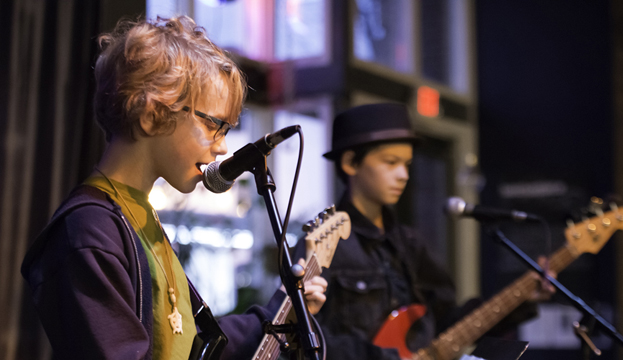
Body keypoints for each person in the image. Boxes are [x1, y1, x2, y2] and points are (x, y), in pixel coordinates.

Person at [21, 16, 326, 360]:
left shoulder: (136, 215)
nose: (223, 147)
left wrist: (274, 316)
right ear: (152, 115)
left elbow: (188, 345)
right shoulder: (89, 232)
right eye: (215, 125)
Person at [294, 103, 552, 360]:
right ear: (350, 162)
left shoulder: (410, 244)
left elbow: (447, 323)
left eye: (407, 164)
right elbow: (303, 336)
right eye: (390, 162)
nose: (403, 174)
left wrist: (523, 297)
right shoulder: (322, 243)